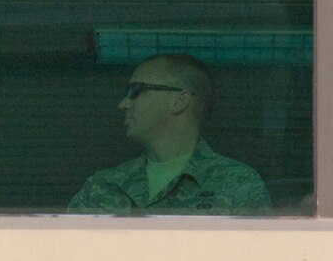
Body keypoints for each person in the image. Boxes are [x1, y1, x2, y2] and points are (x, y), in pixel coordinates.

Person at [68, 53, 270, 214]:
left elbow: (258, 252)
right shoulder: (102, 186)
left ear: (179, 101)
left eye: (136, 91)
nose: (124, 104)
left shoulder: (236, 185)